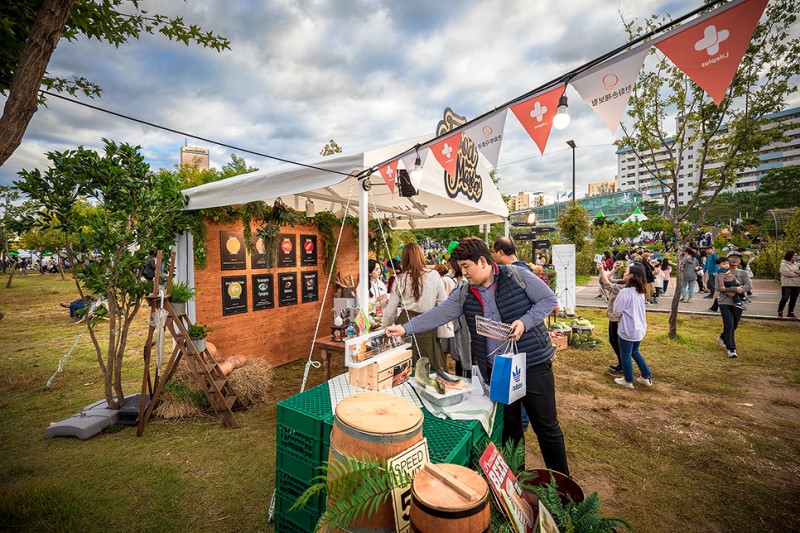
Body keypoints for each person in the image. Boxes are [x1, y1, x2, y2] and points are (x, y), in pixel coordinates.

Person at [385, 237, 569, 475]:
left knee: (546, 426)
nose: (462, 273)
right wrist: (405, 328)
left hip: (532, 363)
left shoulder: (516, 275)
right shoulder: (464, 291)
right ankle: (517, 481)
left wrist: (524, 322)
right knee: (510, 428)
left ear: (482, 261)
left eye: (465, 267)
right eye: (460, 267)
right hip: (497, 369)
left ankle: (564, 489)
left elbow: (549, 300)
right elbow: (439, 313)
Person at [381, 243, 448, 372]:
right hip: (427, 322)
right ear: (421, 256)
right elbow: (443, 304)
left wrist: (384, 328)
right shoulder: (434, 275)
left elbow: (390, 311)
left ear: (404, 259)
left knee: (405, 364)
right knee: (428, 365)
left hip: (406, 323)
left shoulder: (400, 279)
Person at [610, 264, 654, 388]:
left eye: (626, 272)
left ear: (631, 276)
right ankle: (646, 375)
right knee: (634, 351)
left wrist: (615, 320)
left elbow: (617, 310)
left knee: (625, 354)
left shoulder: (625, 292)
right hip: (639, 328)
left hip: (628, 329)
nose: (624, 273)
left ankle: (628, 380)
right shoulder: (640, 292)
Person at [715, 250, 752, 358]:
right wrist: (734, 289)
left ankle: (722, 337)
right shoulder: (721, 272)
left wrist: (740, 290)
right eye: (732, 257)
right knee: (729, 323)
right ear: (727, 260)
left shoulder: (743, 273)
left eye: (737, 258)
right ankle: (731, 348)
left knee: (734, 324)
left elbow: (748, 285)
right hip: (724, 302)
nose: (735, 259)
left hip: (738, 303)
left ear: (740, 260)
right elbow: (718, 287)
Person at [598, 259, 626, 375]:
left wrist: (601, 270)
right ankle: (622, 364)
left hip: (618, 317)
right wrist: (614, 269)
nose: (625, 272)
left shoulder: (625, 287)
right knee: (613, 340)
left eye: (627, 271)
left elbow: (607, 285)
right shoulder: (623, 282)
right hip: (615, 316)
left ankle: (623, 366)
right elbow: (605, 279)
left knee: (617, 341)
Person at [778, 250, 800, 320]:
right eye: (794, 255)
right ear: (789, 255)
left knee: (793, 299)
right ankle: (780, 311)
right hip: (787, 284)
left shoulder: (797, 264)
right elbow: (787, 273)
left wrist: (797, 272)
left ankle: (790, 312)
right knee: (785, 298)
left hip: (796, 284)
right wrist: (797, 273)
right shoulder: (783, 264)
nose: (795, 257)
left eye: (796, 255)